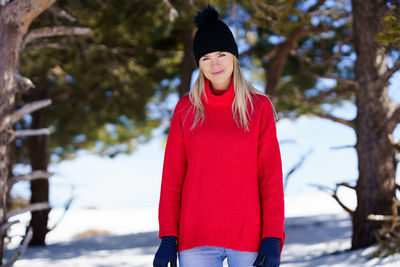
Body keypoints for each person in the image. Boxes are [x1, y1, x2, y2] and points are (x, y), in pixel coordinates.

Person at [153, 5, 285, 267]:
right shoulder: (186, 109)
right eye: (206, 58)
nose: (215, 64)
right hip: (195, 239)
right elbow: (172, 178)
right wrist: (168, 237)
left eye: (221, 54)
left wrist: (272, 236)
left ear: (234, 56)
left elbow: (270, 177)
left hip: (249, 239)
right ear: (198, 64)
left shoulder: (258, 108)